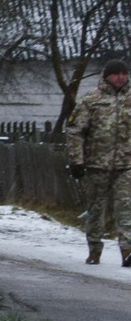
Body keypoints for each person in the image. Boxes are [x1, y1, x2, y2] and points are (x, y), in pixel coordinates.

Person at [67, 57, 131, 266]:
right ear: (107, 76)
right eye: (116, 74)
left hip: (126, 164)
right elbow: (76, 131)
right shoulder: (91, 100)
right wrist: (77, 160)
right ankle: (94, 249)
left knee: (126, 208)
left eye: (124, 73)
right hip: (97, 164)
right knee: (96, 209)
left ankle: (127, 251)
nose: (121, 78)